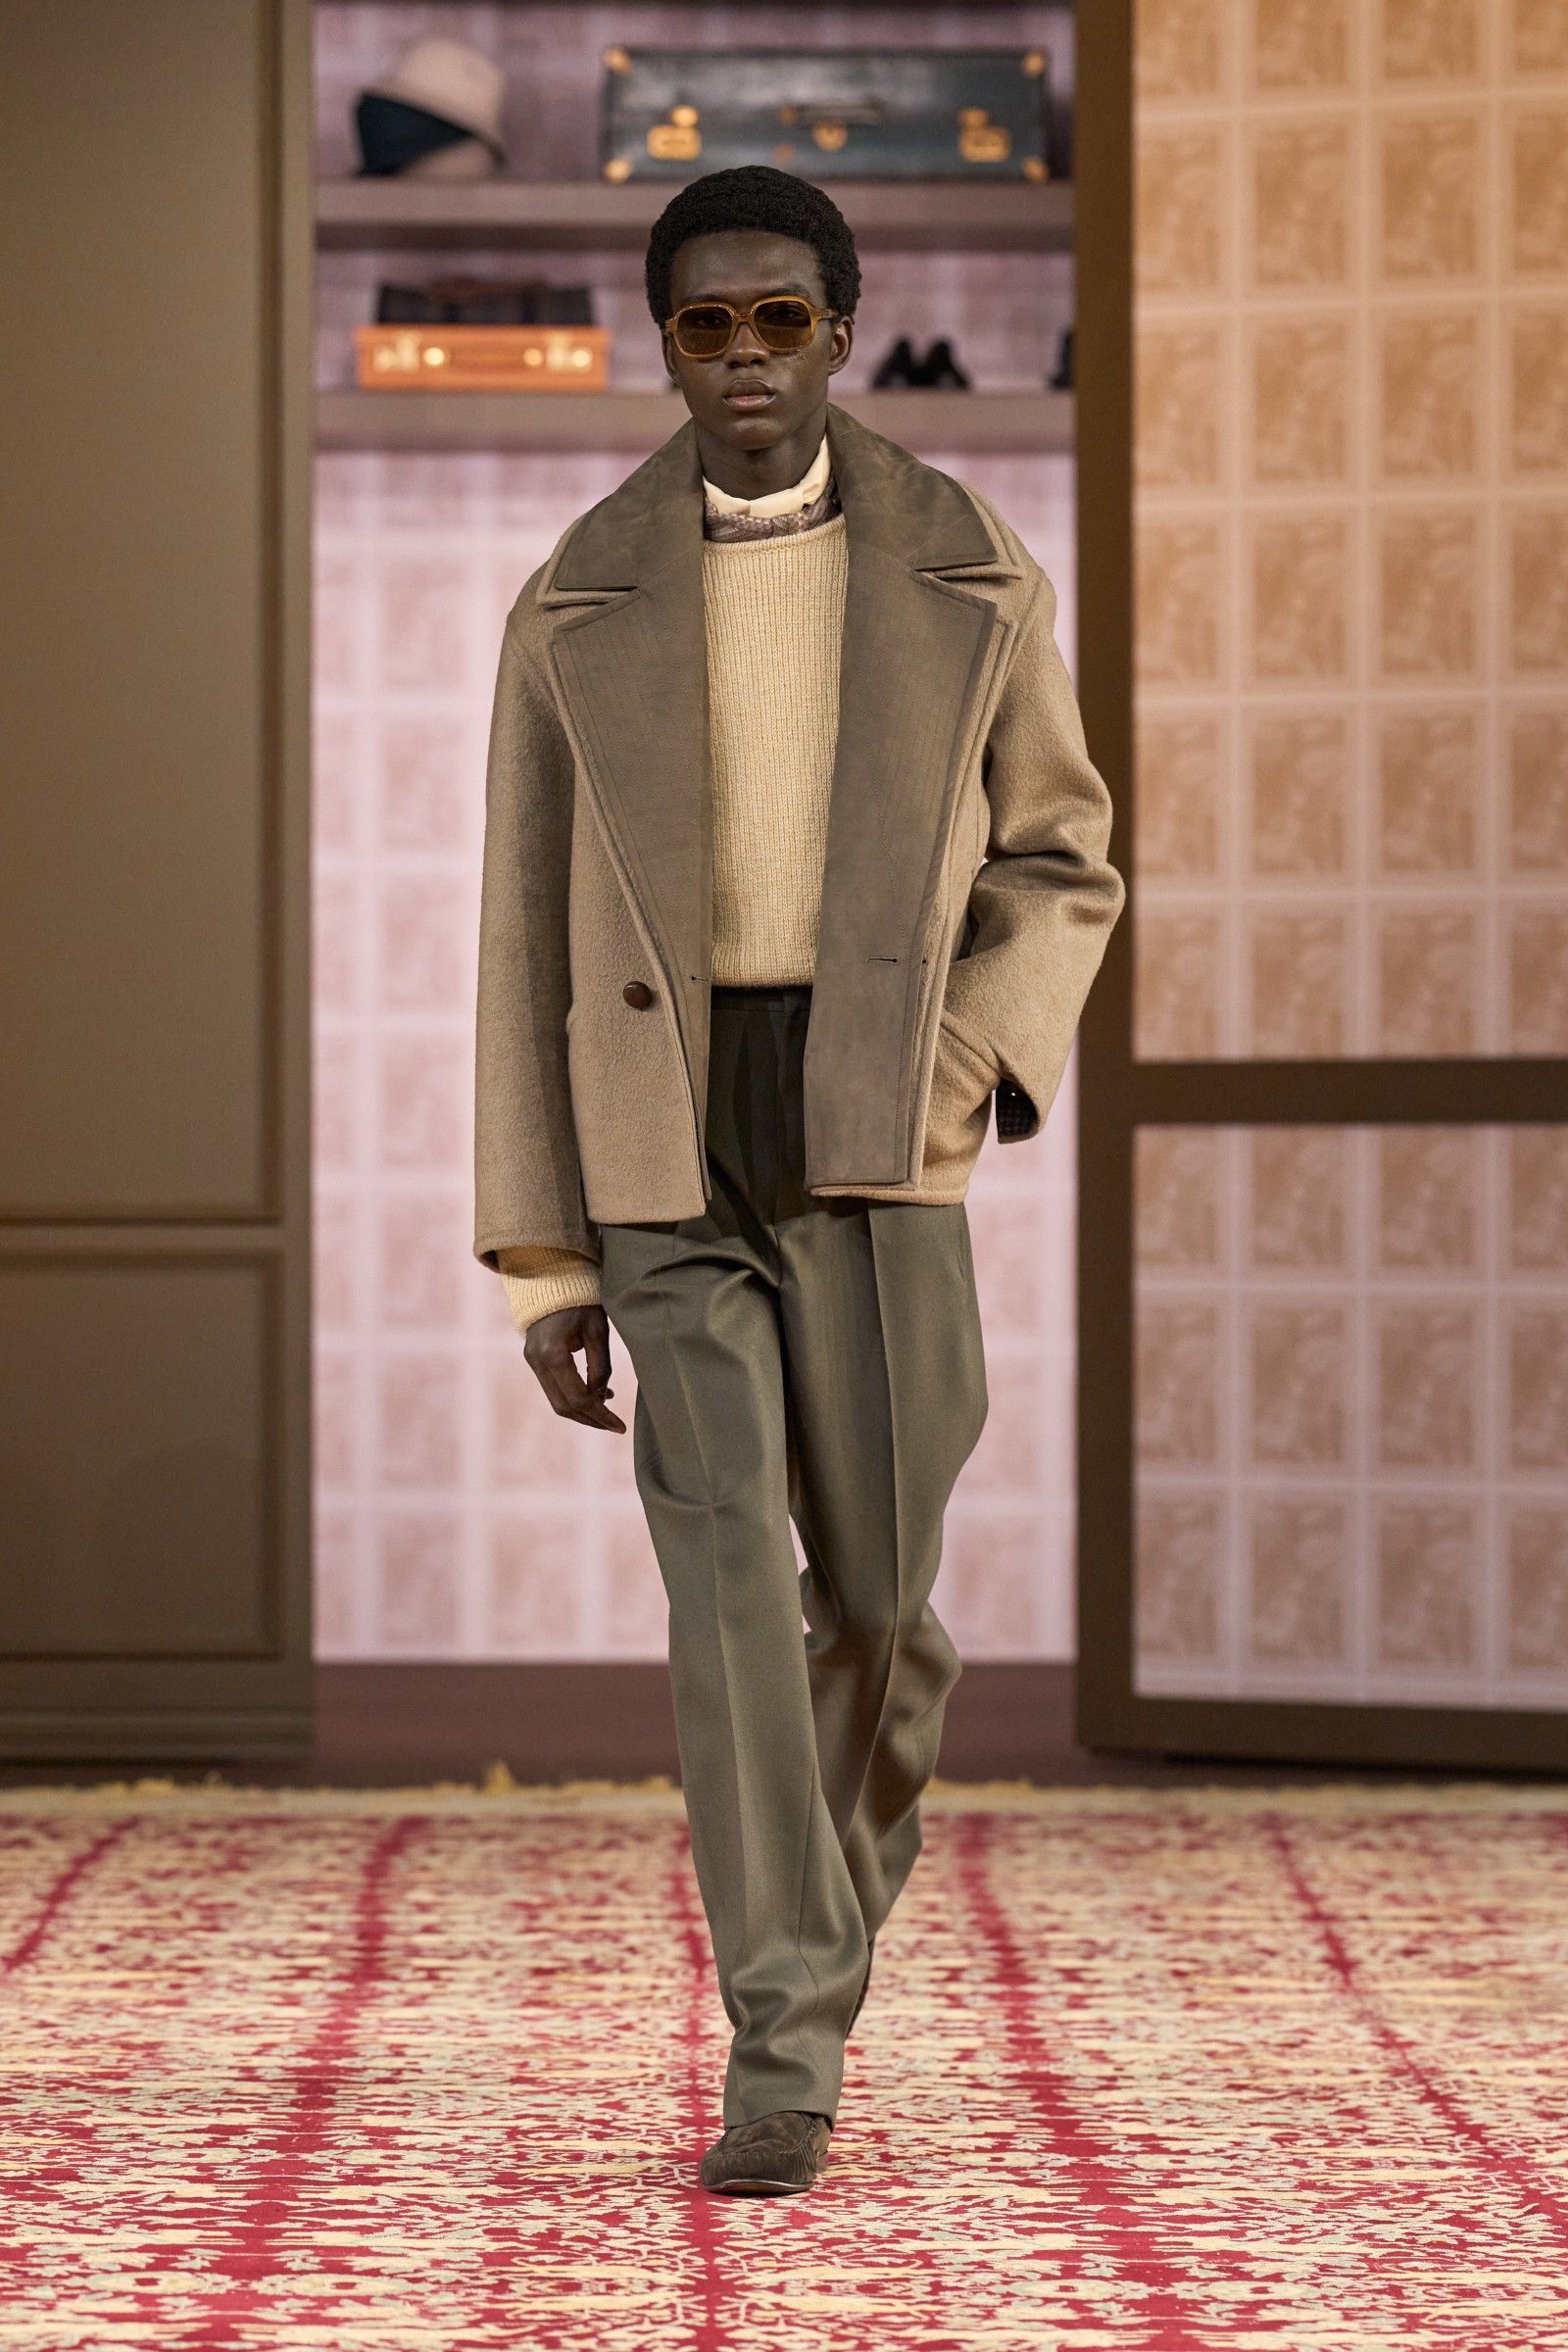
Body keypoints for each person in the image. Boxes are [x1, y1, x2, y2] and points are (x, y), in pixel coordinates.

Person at [473, 166, 1124, 2196]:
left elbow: (1063, 859)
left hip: (874, 1126)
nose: (743, 356)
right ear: (663, 345)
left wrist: (965, 1060)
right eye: (704, 323)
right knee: (729, 1596)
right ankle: (784, 2037)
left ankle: (806, 1962)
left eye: (779, 318)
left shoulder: (969, 567)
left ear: (840, 331)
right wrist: (545, 1259)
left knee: (883, 1614)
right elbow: (519, 934)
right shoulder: (574, 597)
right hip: (660, 1138)